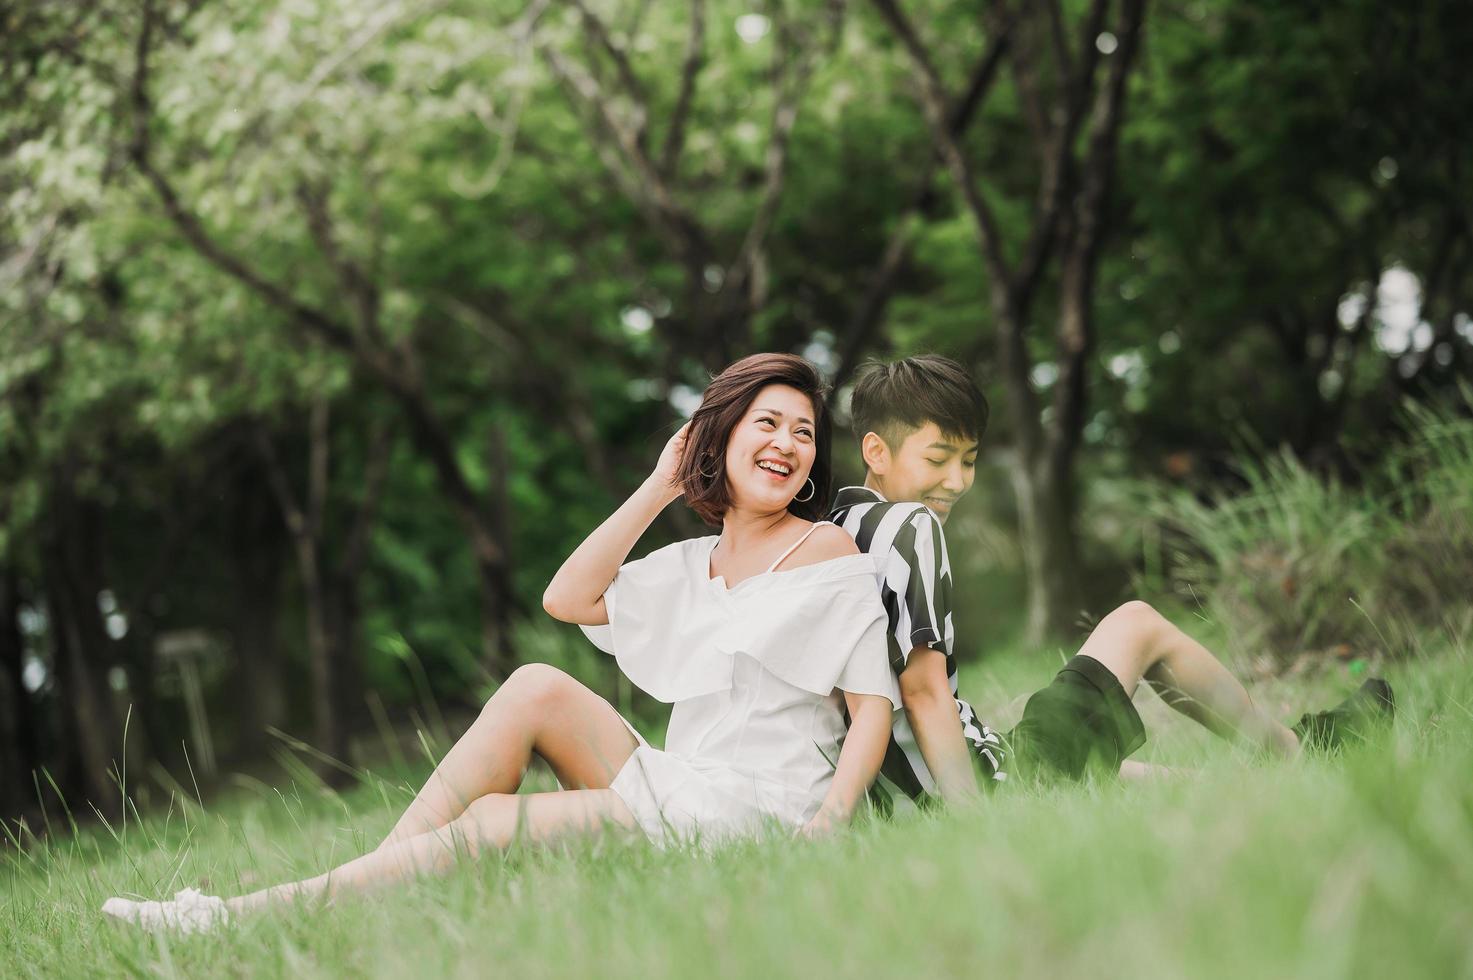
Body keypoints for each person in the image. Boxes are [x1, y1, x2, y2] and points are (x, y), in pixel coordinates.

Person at [103, 353, 898, 934]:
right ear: (716, 440)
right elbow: (567, 598)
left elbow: (871, 710)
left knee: (491, 821)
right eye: (766, 423)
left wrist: (828, 822)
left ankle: (236, 919)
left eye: (802, 434)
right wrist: (661, 482)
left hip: (754, 812)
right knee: (534, 685)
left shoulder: (824, 553)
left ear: (805, 473)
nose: (787, 444)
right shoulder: (695, 563)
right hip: (684, 781)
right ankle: (361, 887)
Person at [829, 354, 1395, 802]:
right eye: (938, 459)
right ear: (876, 451)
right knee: (1137, 622)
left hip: (940, 781)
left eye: (970, 460)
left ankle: (1274, 781)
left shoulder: (836, 529)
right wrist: (975, 821)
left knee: (1126, 773)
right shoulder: (911, 527)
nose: (956, 481)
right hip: (984, 786)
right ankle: (1301, 750)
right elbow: (924, 692)